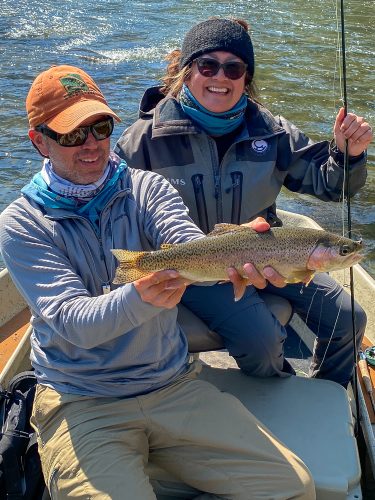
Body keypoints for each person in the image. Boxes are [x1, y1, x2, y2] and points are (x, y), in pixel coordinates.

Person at [0, 65, 316, 499]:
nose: (91, 145)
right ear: (39, 141)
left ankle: (145, 471)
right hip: (83, 400)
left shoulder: (147, 187)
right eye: (72, 135)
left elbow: (185, 241)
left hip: (172, 383)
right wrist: (142, 294)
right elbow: (76, 324)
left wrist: (242, 254)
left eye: (100, 127)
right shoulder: (21, 224)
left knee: (293, 488)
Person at [114, 17, 373, 388]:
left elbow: (330, 185)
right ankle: (278, 392)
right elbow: (119, 210)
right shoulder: (143, 140)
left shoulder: (273, 131)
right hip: (199, 271)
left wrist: (348, 155)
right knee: (264, 342)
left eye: (233, 68)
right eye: (208, 65)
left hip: (274, 257)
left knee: (348, 318)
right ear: (188, 72)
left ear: (245, 78)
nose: (220, 77)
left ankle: (325, 395)